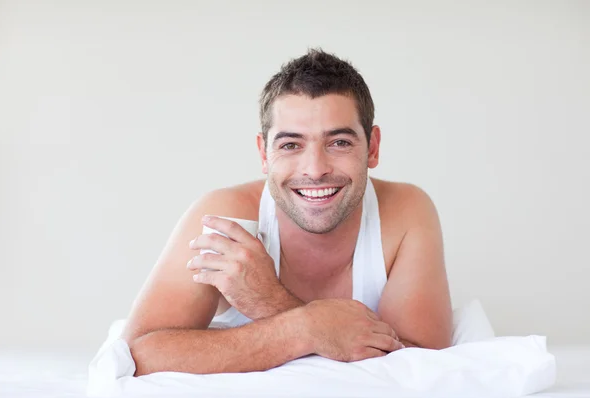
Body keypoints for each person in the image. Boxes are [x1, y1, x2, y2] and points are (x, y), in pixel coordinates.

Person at [121, 49, 453, 376]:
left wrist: (273, 304)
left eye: (339, 142)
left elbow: (424, 366)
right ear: (264, 154)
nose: (315, 169)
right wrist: (301, 328)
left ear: (373, 148)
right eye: (291, 145)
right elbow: (138, 355)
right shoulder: (225, 218)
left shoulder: (406, 212)